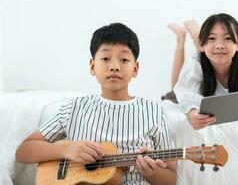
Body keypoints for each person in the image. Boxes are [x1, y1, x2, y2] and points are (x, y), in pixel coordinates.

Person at [15, 23, 176, 185]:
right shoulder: (74, 108)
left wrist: (153, 173)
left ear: (135, 68)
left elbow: (171, 179)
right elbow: (24, 151)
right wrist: (67, 149)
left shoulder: (155, 112)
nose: (114, 67)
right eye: (105, 59)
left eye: (124, 60)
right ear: (92, 66)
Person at [162, 13, 238, 130]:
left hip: (207, 59)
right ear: (202, 43)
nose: (220, 45)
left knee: (208, 55)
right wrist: (191, 112)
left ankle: (197, 34)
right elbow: (184, 94)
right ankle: (181, 37)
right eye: (211, 38)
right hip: (191, 83)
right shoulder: (195, 63)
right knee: (175, 87)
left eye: (228, 38)